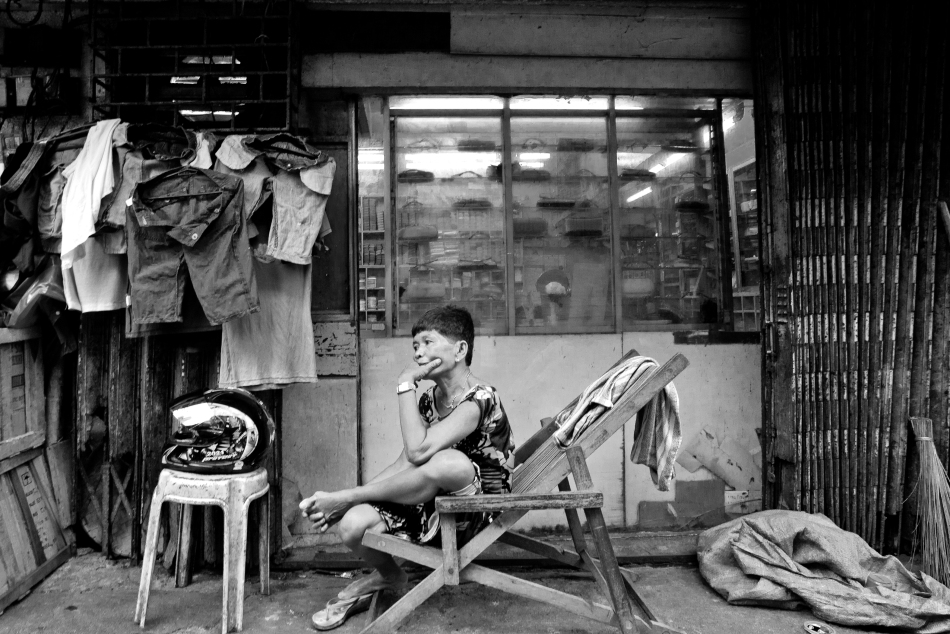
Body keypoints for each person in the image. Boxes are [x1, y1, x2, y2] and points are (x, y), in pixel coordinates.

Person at [300, 305, 515, 630]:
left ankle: (350, 500)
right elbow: (404, 462)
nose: (418, 353)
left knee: (448, 462)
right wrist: (354, 501)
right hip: (434, 502)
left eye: (428, 342)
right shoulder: (429, 400)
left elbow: (418, 452)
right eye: (415, 346)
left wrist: (404, 383)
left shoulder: (481, 398)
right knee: (352, 525)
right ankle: (390, 576)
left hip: (476, 510)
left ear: (460, 350)